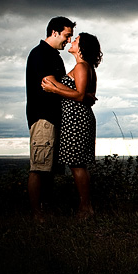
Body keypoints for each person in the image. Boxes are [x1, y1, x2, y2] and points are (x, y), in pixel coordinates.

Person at [41, 32, 102, 219]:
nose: (71, 42)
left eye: (75, 40)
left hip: (77, 119)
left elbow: (81, 95)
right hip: (76, 118)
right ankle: (85, 206)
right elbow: (88, 96)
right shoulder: (84, 67)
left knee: (77, 164)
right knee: (76, 163)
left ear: (82, 47)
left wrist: (54, 88)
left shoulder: (82, 66)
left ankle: (86, 208)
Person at [26, 16, 75, 221]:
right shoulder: (40, 54)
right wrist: (79, 94)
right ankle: (37, 214)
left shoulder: (54, 56)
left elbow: (59, 83)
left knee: (50, 169)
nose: (69, 40)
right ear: (54, 32)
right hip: (43, 118)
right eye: (67, 35)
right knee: (39, 168)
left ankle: (46, 210)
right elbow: (50, 83)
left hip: (54, 118)